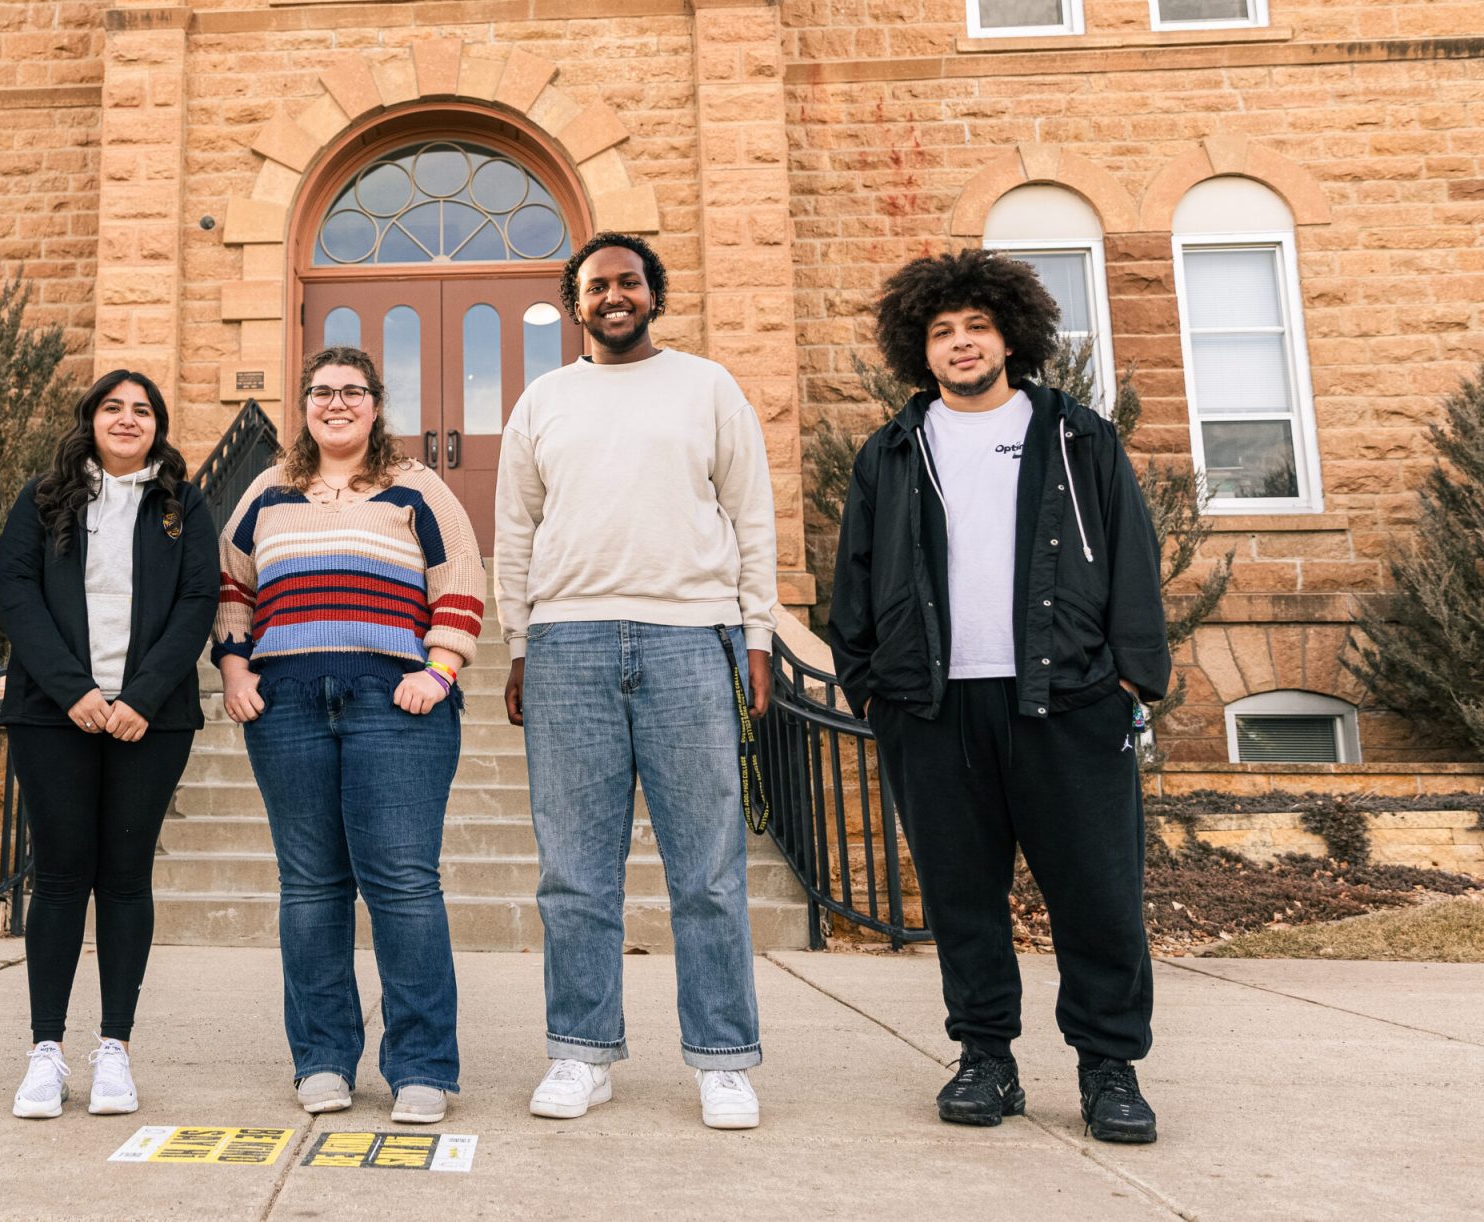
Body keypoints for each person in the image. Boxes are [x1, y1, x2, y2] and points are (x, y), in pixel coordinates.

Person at [827, 248, 1171, 1144]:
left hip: (1067, 701)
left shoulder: (1077, 435)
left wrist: (1132, 679)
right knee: (960, 895)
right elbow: (853, 580)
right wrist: (869, 686)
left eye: (976, 326)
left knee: (1096, 891)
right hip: (933, 708)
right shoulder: (893, 450)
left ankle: (1109, 1069)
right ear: (920, 349)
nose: (961, 343)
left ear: (1011, 334)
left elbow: (1133, 558)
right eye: (942, 331)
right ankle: (987, 1058)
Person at [496, 231, 778, 1132]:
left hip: (692, 640)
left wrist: (759, 636)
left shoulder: (708, 387)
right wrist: (517, 643)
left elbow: (752, 515)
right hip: (569, 644)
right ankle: (581, 1054)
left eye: (628, 282)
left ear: (652, 294)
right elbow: (514, 532)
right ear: (576, 306)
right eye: (595, 287)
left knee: (708, 869)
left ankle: (723, 1059)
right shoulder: (543, 401)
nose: (613, 296)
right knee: (574, 873)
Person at [214, 345, 484, 1126]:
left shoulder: (416, 487)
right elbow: (234, 587)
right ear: (303, 406)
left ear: (376, 404)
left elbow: (459, 579)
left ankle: (423, 1067)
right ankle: (324, 1061)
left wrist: (438, 671)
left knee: (403, 886)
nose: (337, 403)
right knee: (310, 888)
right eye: (322, 392)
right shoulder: (267, 492)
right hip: (287, 704)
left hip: (393, 704)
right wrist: (235, 672)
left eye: (352, 391)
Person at [0, 369, 217, 1119]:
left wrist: (141, 697)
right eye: (113, 408)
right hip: (54, 714)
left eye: (143, 410)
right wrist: (77, 692)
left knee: (125, 878)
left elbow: (197, 604)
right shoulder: (43, 498)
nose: (128, 419)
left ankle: (114, 1050)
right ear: (89, 419)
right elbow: (16, 595)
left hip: (149, 721)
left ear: (158, 425)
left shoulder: (183, 506)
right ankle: (45, 1054)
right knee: (58, 877)